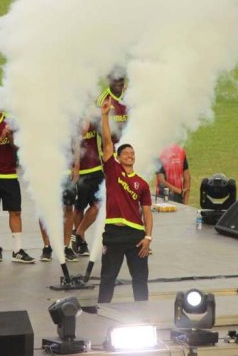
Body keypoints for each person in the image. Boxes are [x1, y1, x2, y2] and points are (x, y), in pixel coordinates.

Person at [98, 98, 153, 304]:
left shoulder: (142, 183)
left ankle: (143, 313)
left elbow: (147, 212)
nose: (130, 155)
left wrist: (148, 238)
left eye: (132, 153)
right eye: (126, 153)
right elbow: (107, 144)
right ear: (118, 158)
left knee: (140, 279)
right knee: (107, 278)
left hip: (136, 236)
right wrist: (104, 116)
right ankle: (102, 310)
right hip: (113, 233)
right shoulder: (113, 171)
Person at [0, 86, 34, 264]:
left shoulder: (12, 122)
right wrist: (2, 137)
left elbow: (19, 148)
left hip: (9, 175)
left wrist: (11, 140)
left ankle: (17, 250)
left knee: (15, 211)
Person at [71, 119, 103, 256]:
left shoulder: (95, 117)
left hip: (96, 168)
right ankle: (82, 243)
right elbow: (77, 141)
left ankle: (78, 233)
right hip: (81, 172)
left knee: (98, 205)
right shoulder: (74, 118)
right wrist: (76, 167)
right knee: (79, 207)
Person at [40, 170, 78, 263]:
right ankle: (47, 247)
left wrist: (76, 167)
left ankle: (67, 247)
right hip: (45, 172)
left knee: (69, 208)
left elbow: (76, 154)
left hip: (65, 171)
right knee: (44, 208)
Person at [96, 68, 127, 144]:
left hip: (128, 148)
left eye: (121, 79)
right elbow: (99, 130)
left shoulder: (129, 97)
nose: (118, 83)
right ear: (109, 79)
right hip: (110, 151)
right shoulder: (102, 100)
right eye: (115, 80)